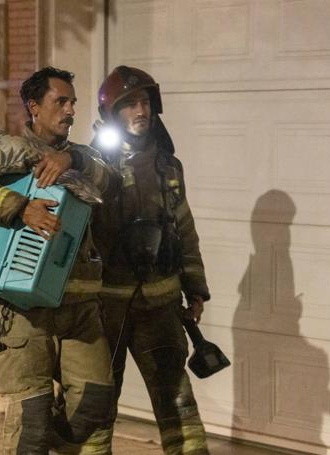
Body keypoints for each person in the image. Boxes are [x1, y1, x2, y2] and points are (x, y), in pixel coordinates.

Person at [0, 67, 119, 454]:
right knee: (31, 424)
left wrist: (70, 158)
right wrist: (20, 208)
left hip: (80, 304)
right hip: (23, 307)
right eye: (60, 101)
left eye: (73, 102)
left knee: (94, 405)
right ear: (34, 107)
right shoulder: (10, 153)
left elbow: (110, 179)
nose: (70, 110)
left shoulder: (83, 158)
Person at [86, 66, 211, 454]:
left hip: (161, 306)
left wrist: (196, 289)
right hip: (106, 308)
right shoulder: (92, 167)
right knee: (96, 408)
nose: (140, 111)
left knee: (178, 407)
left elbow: (184, 230)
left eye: (144, 102)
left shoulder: (168, 168)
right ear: (112, 115)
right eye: (129, 105)